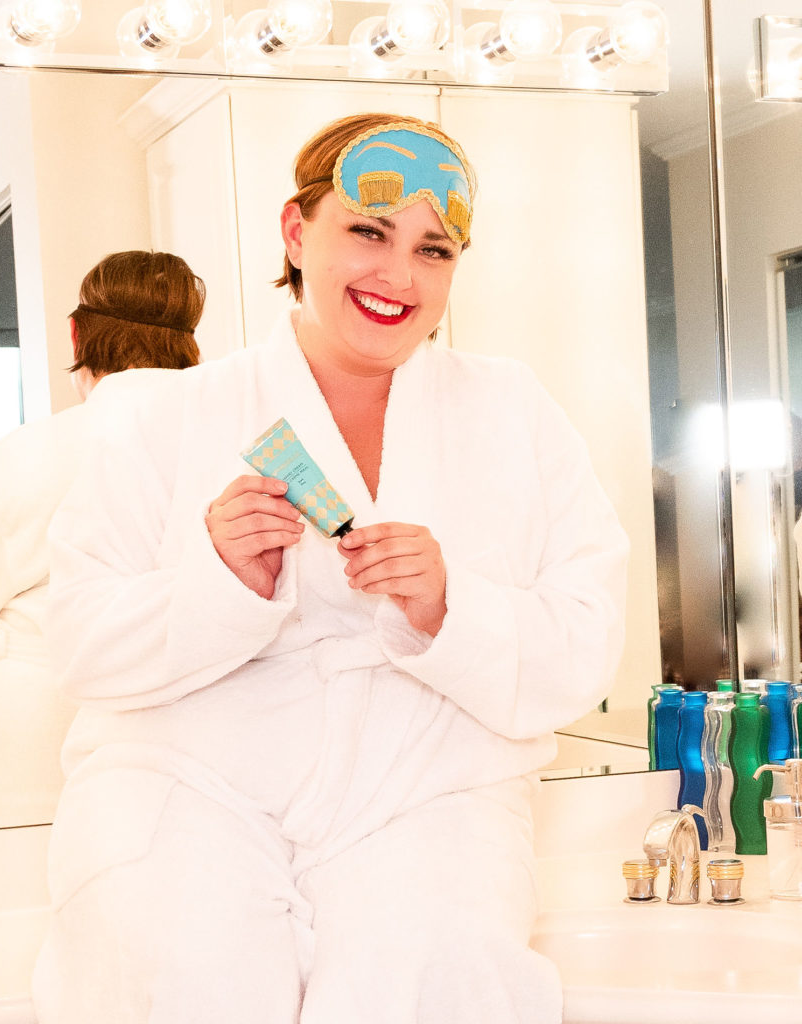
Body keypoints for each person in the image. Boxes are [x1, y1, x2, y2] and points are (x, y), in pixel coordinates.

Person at [33, 114, 628, 1023]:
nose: (400, 276)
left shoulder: (512, 411)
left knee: (440, 972)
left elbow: (586, 640)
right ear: (293, 231)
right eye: (368, 231)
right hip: (191, 787)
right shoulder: (164, 416)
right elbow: (78, 642)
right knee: (183, 971)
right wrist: (219, 581)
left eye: (435, 250)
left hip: (428, 793)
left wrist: (448, 607)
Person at [0, 250, 204, 834]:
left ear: (75, 335)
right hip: (185, 784)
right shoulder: (256, 448)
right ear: (188, 341)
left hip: (10, 784)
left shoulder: (18, 463)